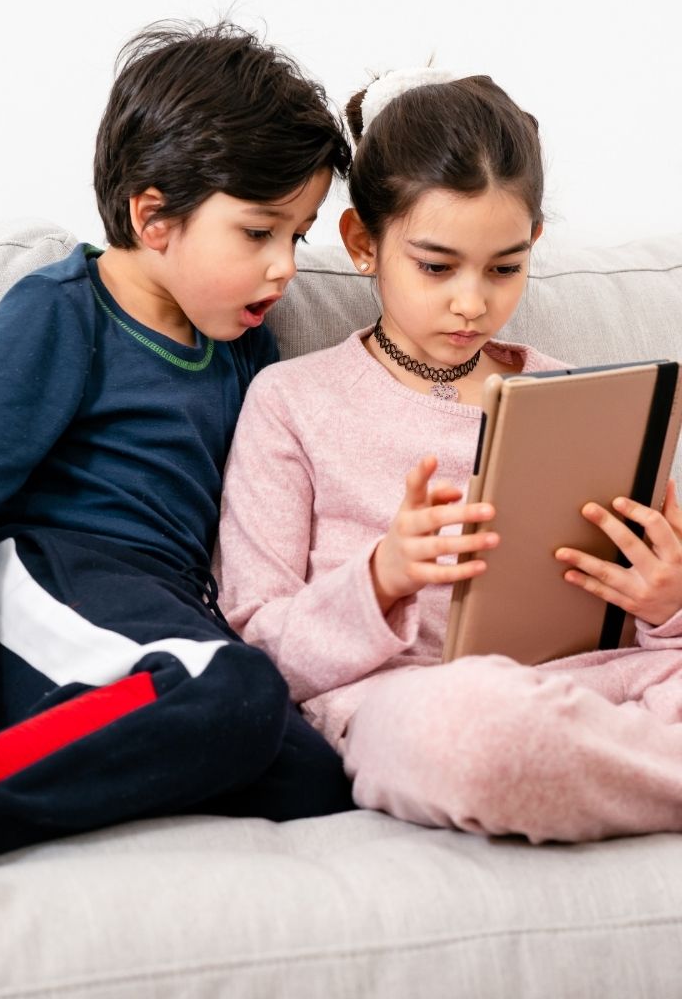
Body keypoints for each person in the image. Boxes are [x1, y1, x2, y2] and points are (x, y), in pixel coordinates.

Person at [0, 20, 357, 920]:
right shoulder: (67, 314)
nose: (285, 268)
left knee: (314, 776)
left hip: (158, 613)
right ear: (152, 216)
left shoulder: (248, 350)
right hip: (41, 581)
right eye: (258, 232)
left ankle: (47, 755)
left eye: (297, 236)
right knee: (236, 690)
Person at [216, 65, 682, 846]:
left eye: (504, 268)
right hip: (415, 701)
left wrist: (666, 602)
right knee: (476, 739)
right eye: (437, 267)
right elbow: (256, 647)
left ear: (533, 244)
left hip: (601, 688)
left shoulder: (577, 396)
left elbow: (657, 634)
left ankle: (585, 769)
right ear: (365, 243)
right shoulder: (290, 402)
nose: (473, 301)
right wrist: (383, 575)